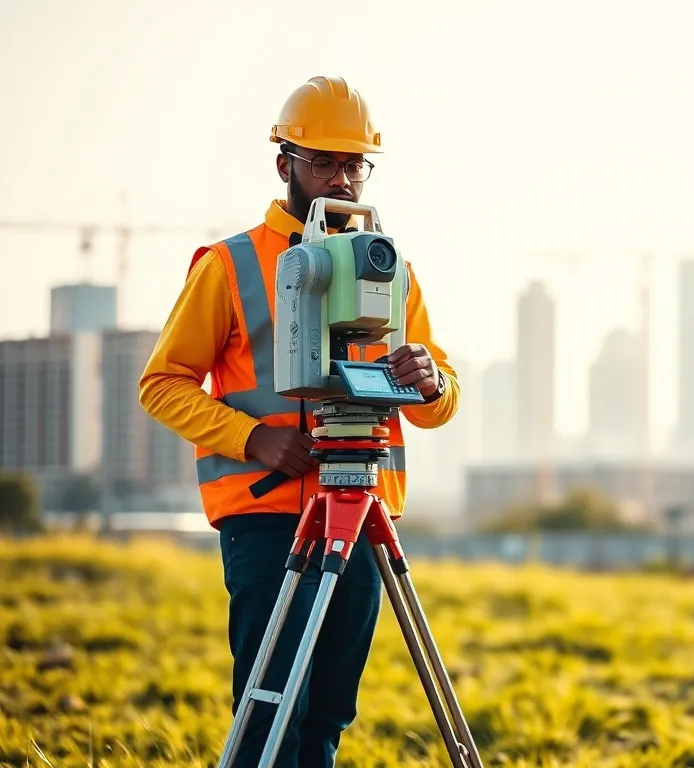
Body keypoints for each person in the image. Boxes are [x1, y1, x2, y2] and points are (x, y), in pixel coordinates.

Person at [138, 75, 460, 768]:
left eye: (354, 164)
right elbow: (161, 384)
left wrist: (431, 382)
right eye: (323, 162)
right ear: (285, 163)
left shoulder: (393, 269)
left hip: (361, 511)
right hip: (267, 517)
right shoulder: (230, 265)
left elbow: (439, 401)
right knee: (271, 714)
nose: (341, 179)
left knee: (328, 716)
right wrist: (253, 438)